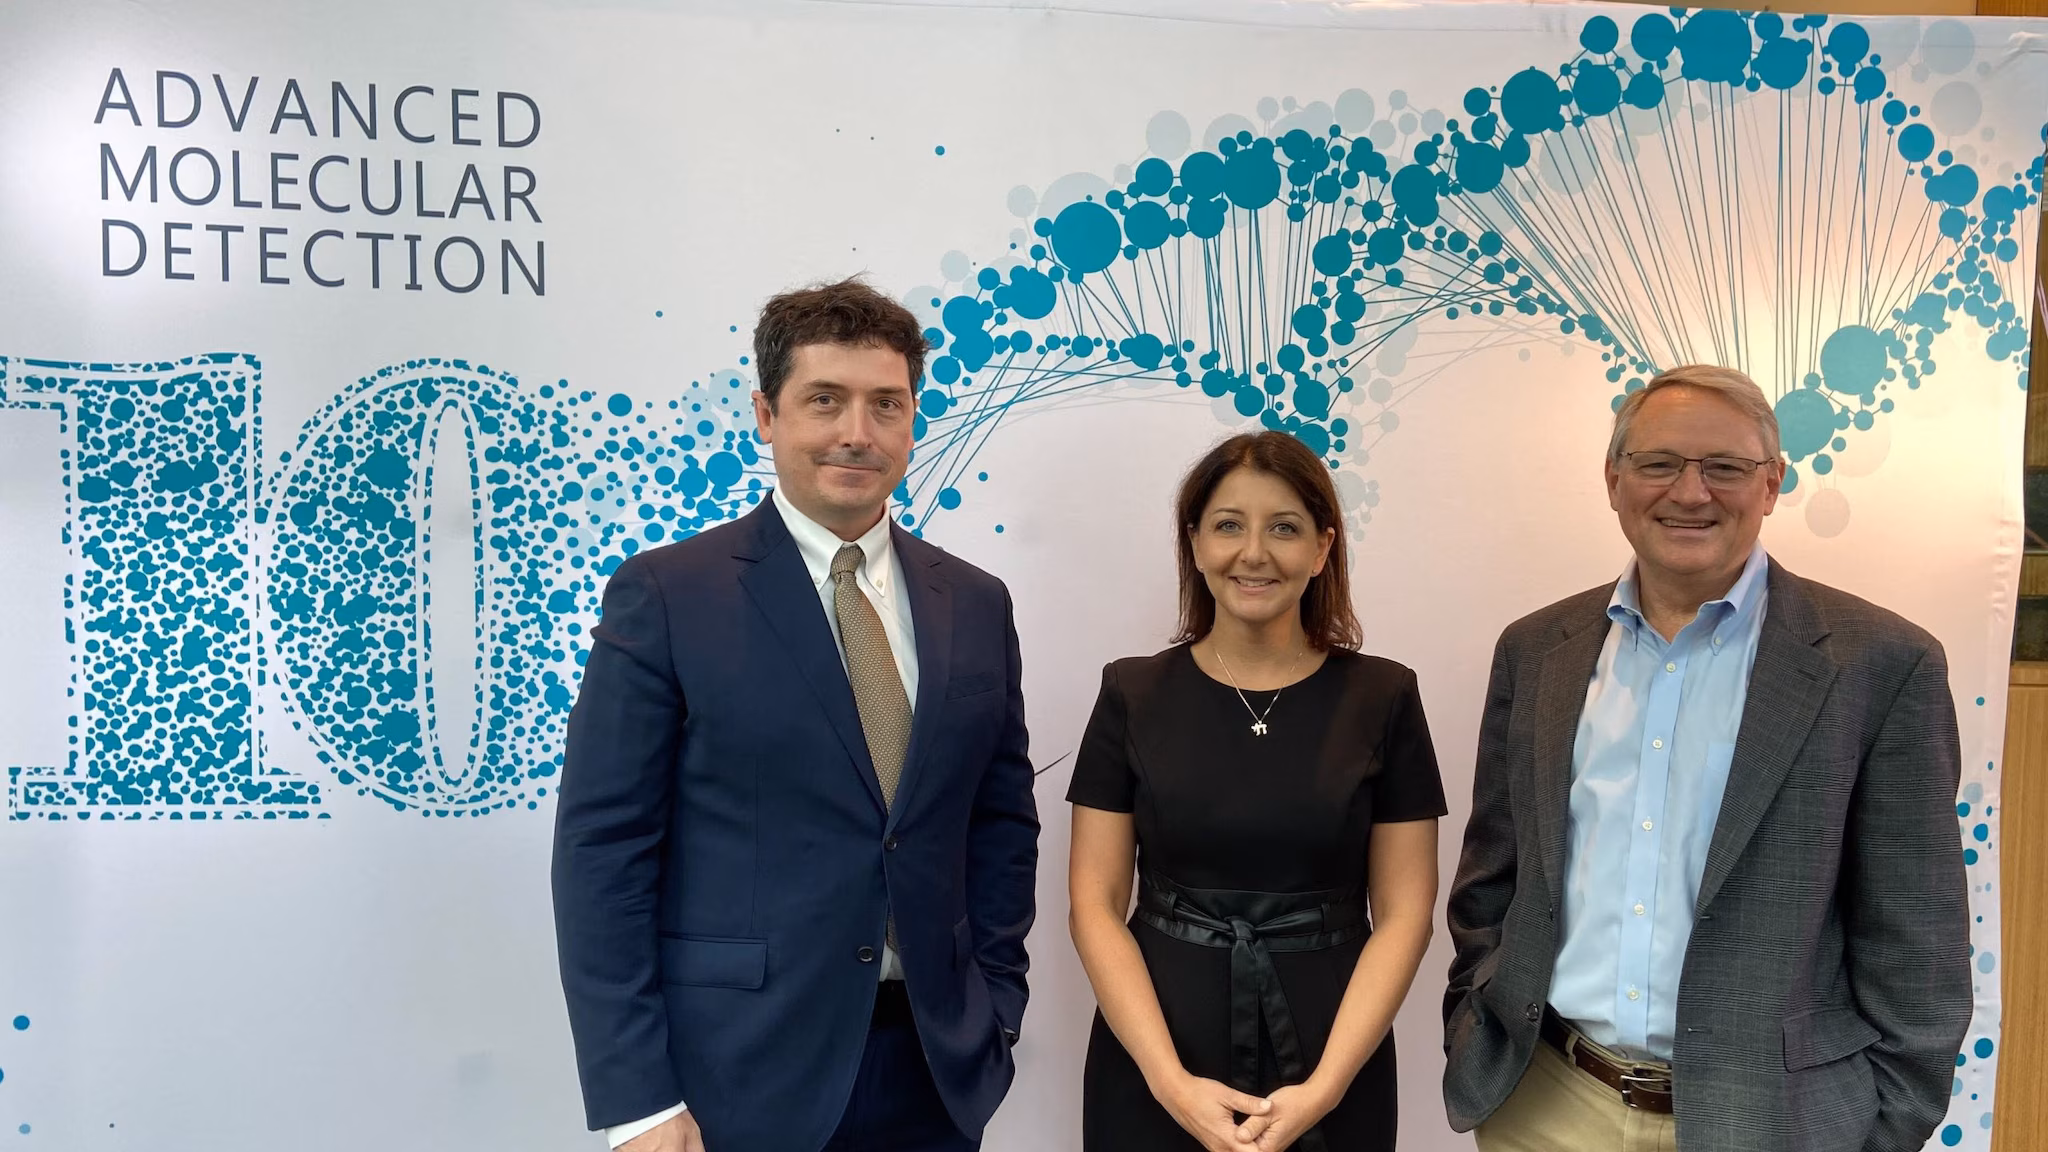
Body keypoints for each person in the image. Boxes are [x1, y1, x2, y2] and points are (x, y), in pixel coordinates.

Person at [552, 278, 1040, 1152]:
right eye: (826, 401)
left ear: (913, 420)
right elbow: (604, 854)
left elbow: (1001, 819)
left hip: (937, 1068)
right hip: (736, 1080)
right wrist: (639, 1100)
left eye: (886, 404)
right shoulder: (668, 595)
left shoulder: (975, 601)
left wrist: (994, 1004)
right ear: (766, 416)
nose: (858, 432)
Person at [1442, 364, 1972, 1152]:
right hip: (1546, 1104)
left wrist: (1880, 1125)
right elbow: (1494, 876)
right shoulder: (1535, 651)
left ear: (1772, 484)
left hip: (1772, 1122)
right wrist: (1471, 1015)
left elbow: (1917, 939)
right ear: (1615, 479)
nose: (1690, 493)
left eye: (1725, 467)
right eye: (1659, 464)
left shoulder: (1881, 663)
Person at [1067, 430, 1446, 1152]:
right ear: (1195, 543)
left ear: (1322, 548)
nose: (1254, 553)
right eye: (1229, 526)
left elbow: (1406, 915)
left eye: (1284, 529)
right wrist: (1170, 1083)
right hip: (1156, 1052)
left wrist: (1326, 1090)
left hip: (1332, 1053)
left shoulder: (1385, 695)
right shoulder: (1132, 691)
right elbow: (1093, 905)